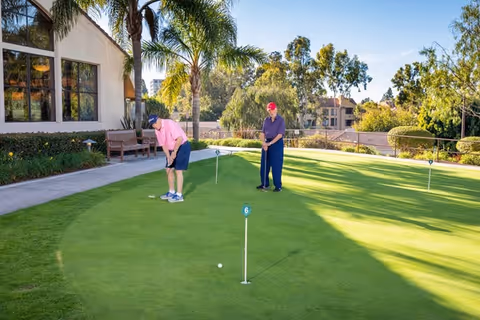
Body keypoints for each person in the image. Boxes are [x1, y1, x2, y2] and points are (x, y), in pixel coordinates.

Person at [148, 115, 191, 202]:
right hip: (171, 148)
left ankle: (179, 195)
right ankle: (171, 192)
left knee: (178, 170)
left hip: (182, 146)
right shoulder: (157, 130)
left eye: (155, 123)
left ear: (159, 120)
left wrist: (174, 152)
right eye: (152, 125)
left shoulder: (169, 123)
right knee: (168, 169)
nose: (155, 126)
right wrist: (168, 156)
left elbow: (179, 138)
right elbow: (163, 144)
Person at [257, 102, 285, 192]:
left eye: (272, 109)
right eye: (269, 110)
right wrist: (264, 143)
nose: (271, 112)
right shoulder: (266, 120)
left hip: (276, 143)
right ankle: (265, 184)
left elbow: (280, 134)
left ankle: (278, 186)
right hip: (266, 143)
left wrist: (270, 143)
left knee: (276, 165)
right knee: (264, 165)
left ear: (276, 109)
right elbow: (262, 133)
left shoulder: (280, 120)